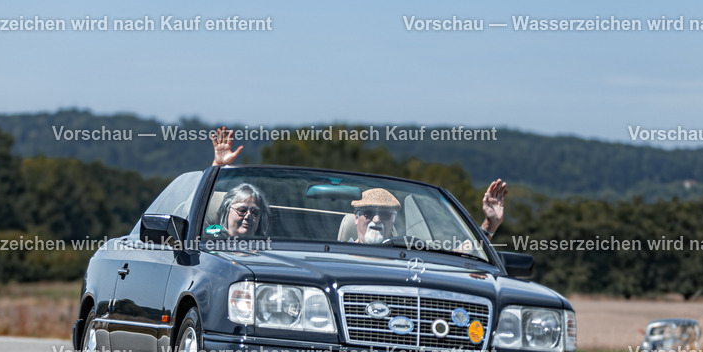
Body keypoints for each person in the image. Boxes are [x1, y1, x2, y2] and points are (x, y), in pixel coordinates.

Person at [209, 126, 508, 240]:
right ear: (356, 218)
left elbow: (459, 258)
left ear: (394, 220)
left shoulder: (411, 248)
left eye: (385, 214)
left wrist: (488, 226)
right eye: (368, 213)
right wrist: (218, 171)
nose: (376, 219)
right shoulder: (335, 255)